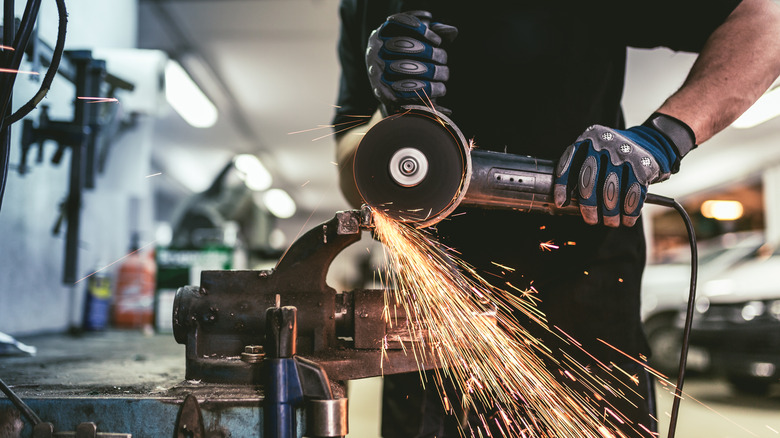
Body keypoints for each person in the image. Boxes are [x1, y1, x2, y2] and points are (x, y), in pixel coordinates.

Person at [332, 1, 780, 436]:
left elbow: (768, 21)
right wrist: (383, 131)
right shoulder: (363, 6)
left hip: (582, 310)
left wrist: (662, 137)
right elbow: (347, 167)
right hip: (429, 321)